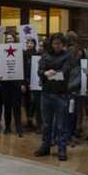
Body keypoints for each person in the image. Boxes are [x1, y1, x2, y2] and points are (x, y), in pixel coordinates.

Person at [35, 32, 78, 161]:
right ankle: (45, 147)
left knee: (61, 125)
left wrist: (49, 74)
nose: (56, 46)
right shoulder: (46, 54)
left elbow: (64, 73)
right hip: (46, 94)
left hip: (61, 95)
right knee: (46, 124)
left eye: (59, 43)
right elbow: (39, 71)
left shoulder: (68, 56)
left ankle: (62, 149)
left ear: (63, 44)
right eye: (54, 43)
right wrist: (46, 73)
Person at [0, 32, 25, 137]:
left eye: (11, 39)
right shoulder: (1, 52)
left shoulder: (21, 52)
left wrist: (23, 83)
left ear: (15, 40)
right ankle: (8, 127)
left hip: (17, 84)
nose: (9, 41)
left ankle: (19, 128)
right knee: (7, 106)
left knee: (17, 107)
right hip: (5, 84)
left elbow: (24, 68)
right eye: (8, 39)